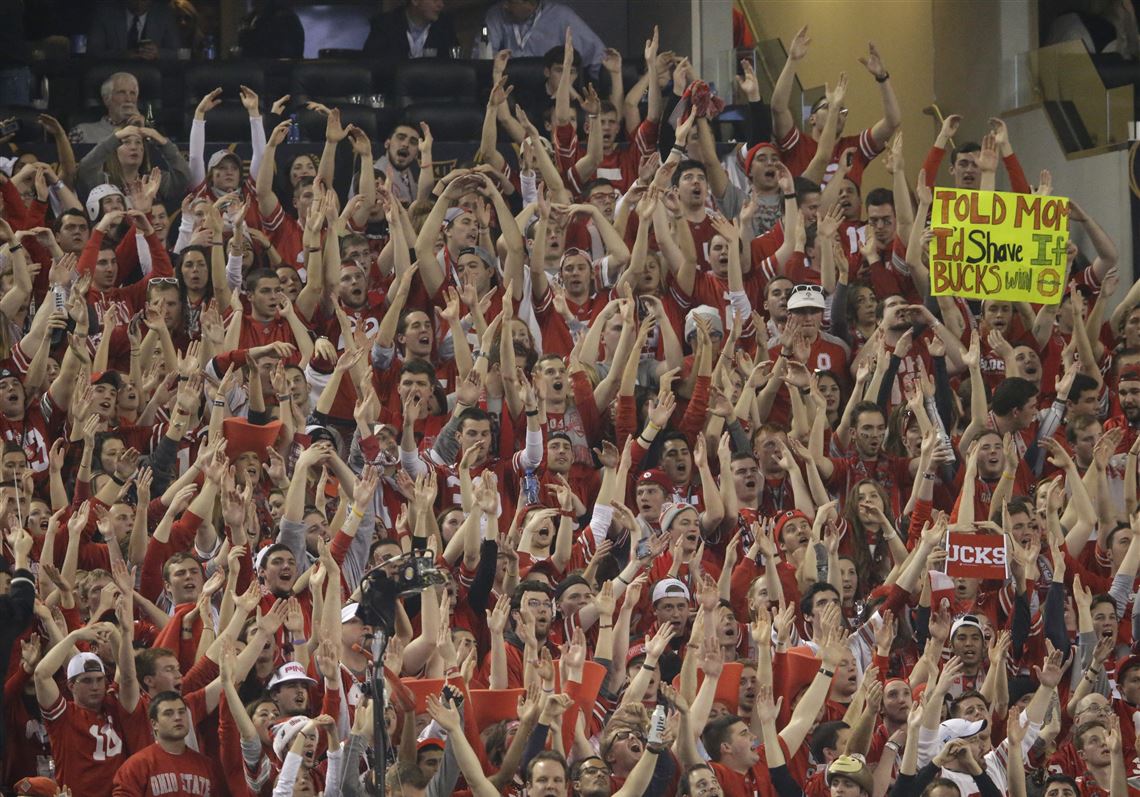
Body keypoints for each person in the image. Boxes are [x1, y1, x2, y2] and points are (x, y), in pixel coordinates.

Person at [110, 692, 221, 797]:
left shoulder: (207, 766)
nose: (178, 718)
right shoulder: (137, 766)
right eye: (168, 714)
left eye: (182, 712)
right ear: (154, 724)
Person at [481, 0, 606, 69]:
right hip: (510, 86)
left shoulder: (561, 16)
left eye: (511, 2)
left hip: (549, 87)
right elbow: (482, 56)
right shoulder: (495, 15)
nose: (505, 5)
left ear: (530, 4)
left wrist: (596, 86)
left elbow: (597, 55)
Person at [363, 0, 459, 63]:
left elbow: (453, 66)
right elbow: (372, 67)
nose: (441, 5)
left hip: (433, 92)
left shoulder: (445, 26)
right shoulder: (384, 25)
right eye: (435, 0)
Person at [87, 0, 182, 60]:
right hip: (114, 75)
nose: (139, 2)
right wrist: (123, 56)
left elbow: (177, 53)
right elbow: (93, 51)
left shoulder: (164, 14)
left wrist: (157, 53)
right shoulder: (105, 13)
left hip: (153, 77)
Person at [69, 72, 144, 145]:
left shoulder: (147, 132)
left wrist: (142, 131)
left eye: (132, 93)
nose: (129, 99)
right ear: (106, 99)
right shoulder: (81, 132)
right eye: (121, 92)